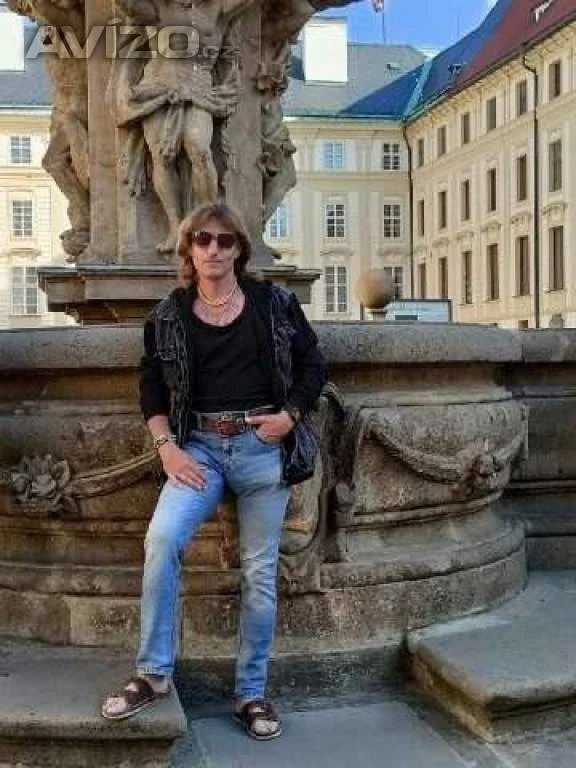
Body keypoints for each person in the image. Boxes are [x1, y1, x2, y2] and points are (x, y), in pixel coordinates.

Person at [101, 201, 327, 740]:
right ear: (189, 249)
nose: (214, 249)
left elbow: (314, 363)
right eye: (203, 239)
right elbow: (150, 387)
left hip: (261, 448)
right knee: (162, 540)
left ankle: (251, 693)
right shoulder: (169, 315)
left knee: (259, 572)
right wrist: (167, 449)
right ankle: (153, 674)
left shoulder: (273, 304)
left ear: (240, 250)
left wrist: (289, 416)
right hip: (197, 449)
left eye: (226, 240)